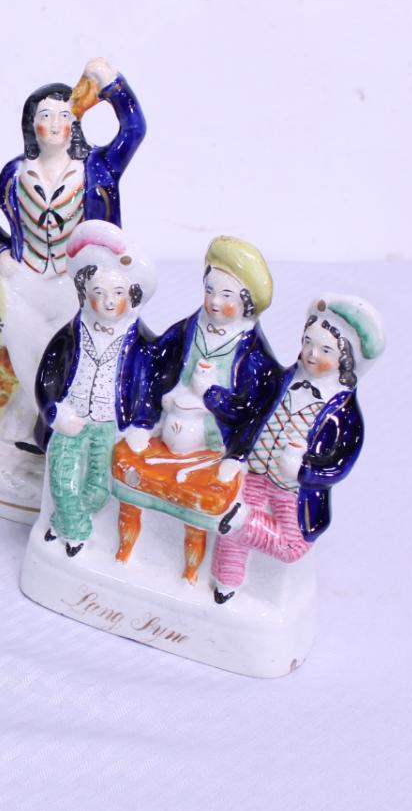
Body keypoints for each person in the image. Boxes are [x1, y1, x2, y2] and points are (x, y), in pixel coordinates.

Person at [0, 59, 146, 394]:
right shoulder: (15, 174)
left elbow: (133, 129)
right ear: (31, 124)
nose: (54, 124)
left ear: (75, 122)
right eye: (45, 115)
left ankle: (67, 410)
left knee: (73, 355)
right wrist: (0, 251)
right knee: (26, 356)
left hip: (75, 284)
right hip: (25, 281)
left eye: (64, 115)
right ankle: (33, 411)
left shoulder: (96, 169)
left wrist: (111, 85)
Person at [111, 236, 285, 581]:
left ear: (247, 303)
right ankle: (123, 553)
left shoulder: (253, 356)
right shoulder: (190, 328)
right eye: (210, 290)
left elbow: (253, 409)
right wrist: (144, 418)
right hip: (165, 433)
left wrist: (212, 396)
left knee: (199, 508)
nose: (215, 302)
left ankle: (191, 573)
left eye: (227, 295)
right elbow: (154, 362)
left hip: (212, 449)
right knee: (127, 472)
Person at [210, 295, 383, 603]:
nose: (312, 354)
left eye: (325, 350)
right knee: (230, 533)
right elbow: (247, 410)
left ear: (346, 359)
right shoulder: (278, 381)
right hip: (253, 472)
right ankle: (226, 583)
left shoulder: (344, 413)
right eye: (308, 343)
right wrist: (214, 398)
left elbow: (339, 464)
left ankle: (243, 520)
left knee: (293, 545)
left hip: (291, 489)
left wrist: (304, 470)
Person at [33, 221, 157, 557]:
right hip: (71, 419)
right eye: (99, 293)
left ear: (131, 297)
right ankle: (75, 533)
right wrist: (55, 412)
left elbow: (149, 388)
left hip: (108, 425)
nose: (108, 302)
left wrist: (141, 423)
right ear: (85, 295)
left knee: (99, 490)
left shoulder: (140, 344)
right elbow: (47, 376)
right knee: (63, 480)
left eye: (117, 294)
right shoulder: (70, 335)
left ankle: (62, 519)